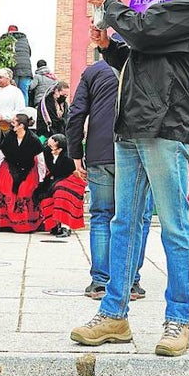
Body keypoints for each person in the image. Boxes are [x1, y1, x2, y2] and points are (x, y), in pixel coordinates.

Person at [71, 0, 189, 358]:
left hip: (166, 127)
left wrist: (112, 3)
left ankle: (179, 319)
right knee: (123, 223)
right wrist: (109, 47)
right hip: (132, 124)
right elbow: (143, 53)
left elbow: (146, 32)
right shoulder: (168, 4)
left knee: (173, 226)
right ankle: (114, 312)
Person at [67, 58, 152, 302]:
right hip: (138, 151)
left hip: (100, 152)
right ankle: (131, 282)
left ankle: (100, 282)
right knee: (137, 218)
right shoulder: (148, 61)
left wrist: (75, 153)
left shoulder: (94, 70)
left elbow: (76, 113)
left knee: (102, 215)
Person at [0, 111, 44, 232]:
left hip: (28, 168)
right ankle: (4, 222)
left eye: (14, 122)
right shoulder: (10, 136)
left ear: (21, 125)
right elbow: (2, 154)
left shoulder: (33, 139)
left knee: (24, 191)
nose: (11, 124)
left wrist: (40, 178)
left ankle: (24, 224)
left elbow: (40, 160)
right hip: (10, 166)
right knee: (6, 189)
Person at [37, 133, 85, 237]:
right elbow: (53, 171)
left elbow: (67, 171)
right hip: (56, 179)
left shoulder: (68, 157)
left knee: (62, 193)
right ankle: (54, 225)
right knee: (46, 196)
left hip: (71, 179)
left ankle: (65, 227)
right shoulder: (47, 152)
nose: (48, 148)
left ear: (60, 148)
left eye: (51, 146)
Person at [0, 25, 34, 101]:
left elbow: (0, 55)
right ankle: (24, 111)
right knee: (24, 92)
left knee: (12, 91)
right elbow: (29, 53)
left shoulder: (5, 39)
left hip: (14, 69)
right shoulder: (24, 40)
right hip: (26, 70)